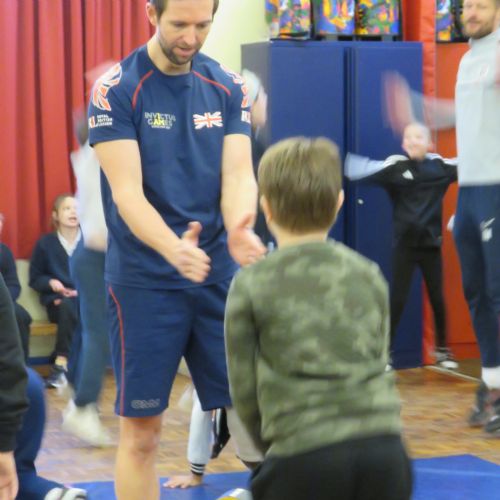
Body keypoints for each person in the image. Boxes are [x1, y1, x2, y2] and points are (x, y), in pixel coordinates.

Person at [88, 0, 266, 498]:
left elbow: (238, 173)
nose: (191, 37)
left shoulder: (228, 86)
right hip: (144, 283)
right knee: (142, 435)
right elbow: (127, 194)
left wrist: (239, 226)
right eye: (179, 24)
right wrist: (172, 248)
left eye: (203, 25)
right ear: (151, 14)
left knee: (257, 424)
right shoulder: (116, 90)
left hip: (217, 276)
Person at [225, 137, 412, 500]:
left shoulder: (250, 284)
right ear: (339, 203)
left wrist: (273, 451)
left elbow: (243, 389)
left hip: (303, 456)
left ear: (266, 208)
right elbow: (379, 361)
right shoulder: (369, 273)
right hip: (386, 453)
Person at [385, 0, 500, 433]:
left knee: (497, 292)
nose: (471, 12)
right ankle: (492, 386)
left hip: (497, 187)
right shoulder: (469, 60)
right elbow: (462, 115)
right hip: (469, 189)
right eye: (467, 5)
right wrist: (419, 106)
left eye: (481, 6)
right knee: (476, 294)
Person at [344, 122, 458, 370]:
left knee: (438, 298)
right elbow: (361, 169)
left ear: (429, 143)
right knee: (397, 299)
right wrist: (342, 164)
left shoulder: (440, 168)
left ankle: (442, 352)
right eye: (408, 137)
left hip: (431, 247)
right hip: (404, 248)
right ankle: (385, 353)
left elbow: (466, 164)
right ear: (404, 144)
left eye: (419, 137)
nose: (413, 141)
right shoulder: (395, 168)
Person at [0, 274, 87, 500]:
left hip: (17, 390)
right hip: (24, 386)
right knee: (19, 475)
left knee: (12, 476)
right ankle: (55, 494)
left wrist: (4, 446)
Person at [62, 111, 112, 447]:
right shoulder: (93, 157)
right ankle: (82, 407)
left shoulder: (95, 160)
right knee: (99, 334)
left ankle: (75, 384)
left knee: (91, 329)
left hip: (93, 257)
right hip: (94, 257)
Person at [29, 195, 80, 388]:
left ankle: (60, 361)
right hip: (58, 303)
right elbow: (35, 278)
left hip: (87, 301)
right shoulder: (45, 244)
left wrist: (80, 292)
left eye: (76, 208)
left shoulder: (91, 242)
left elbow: (103, 276)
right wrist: (51, 283)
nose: (73, 212)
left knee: (75, 306)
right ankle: (62, 364)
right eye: (67, 208)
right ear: (55, 215)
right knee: (66, 306)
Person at [0, 212, 32, 362]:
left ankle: (21, 366)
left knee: (20, 315)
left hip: (3, 302)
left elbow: (13, 285)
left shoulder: (4, 252)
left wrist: (4, 301)